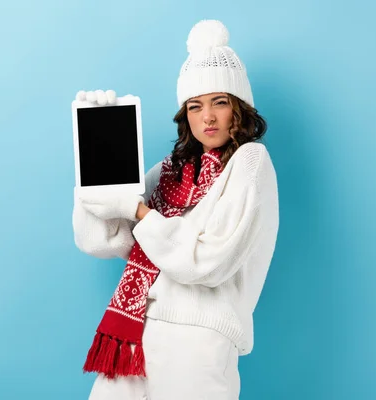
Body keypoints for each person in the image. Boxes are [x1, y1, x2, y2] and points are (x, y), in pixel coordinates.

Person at [72, 19, 279, 400]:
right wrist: (95, 155)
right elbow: (102, 239)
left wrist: (139, 213)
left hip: (199, 340)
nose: (208, 117)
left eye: (220, 102)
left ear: (239, 108)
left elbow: (209, 261)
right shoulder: (173, 171)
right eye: (195, 106)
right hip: (136, 331)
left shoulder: (250, 162)